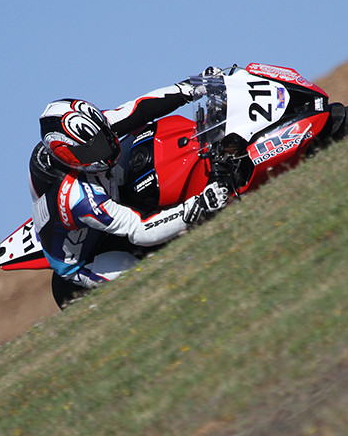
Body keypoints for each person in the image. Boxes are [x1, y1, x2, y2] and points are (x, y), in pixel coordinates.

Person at [29, 74, 230, 308]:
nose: (104, 151)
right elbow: (139, 230)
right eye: (91, 151)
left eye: (103, 140)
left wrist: (192, 87)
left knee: (145, 135)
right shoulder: (77, 196)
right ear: (67, 156)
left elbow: (140, 108)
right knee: (151, 279)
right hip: (86, 259)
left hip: (108, 192)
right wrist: (198, 206)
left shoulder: (92, 130)